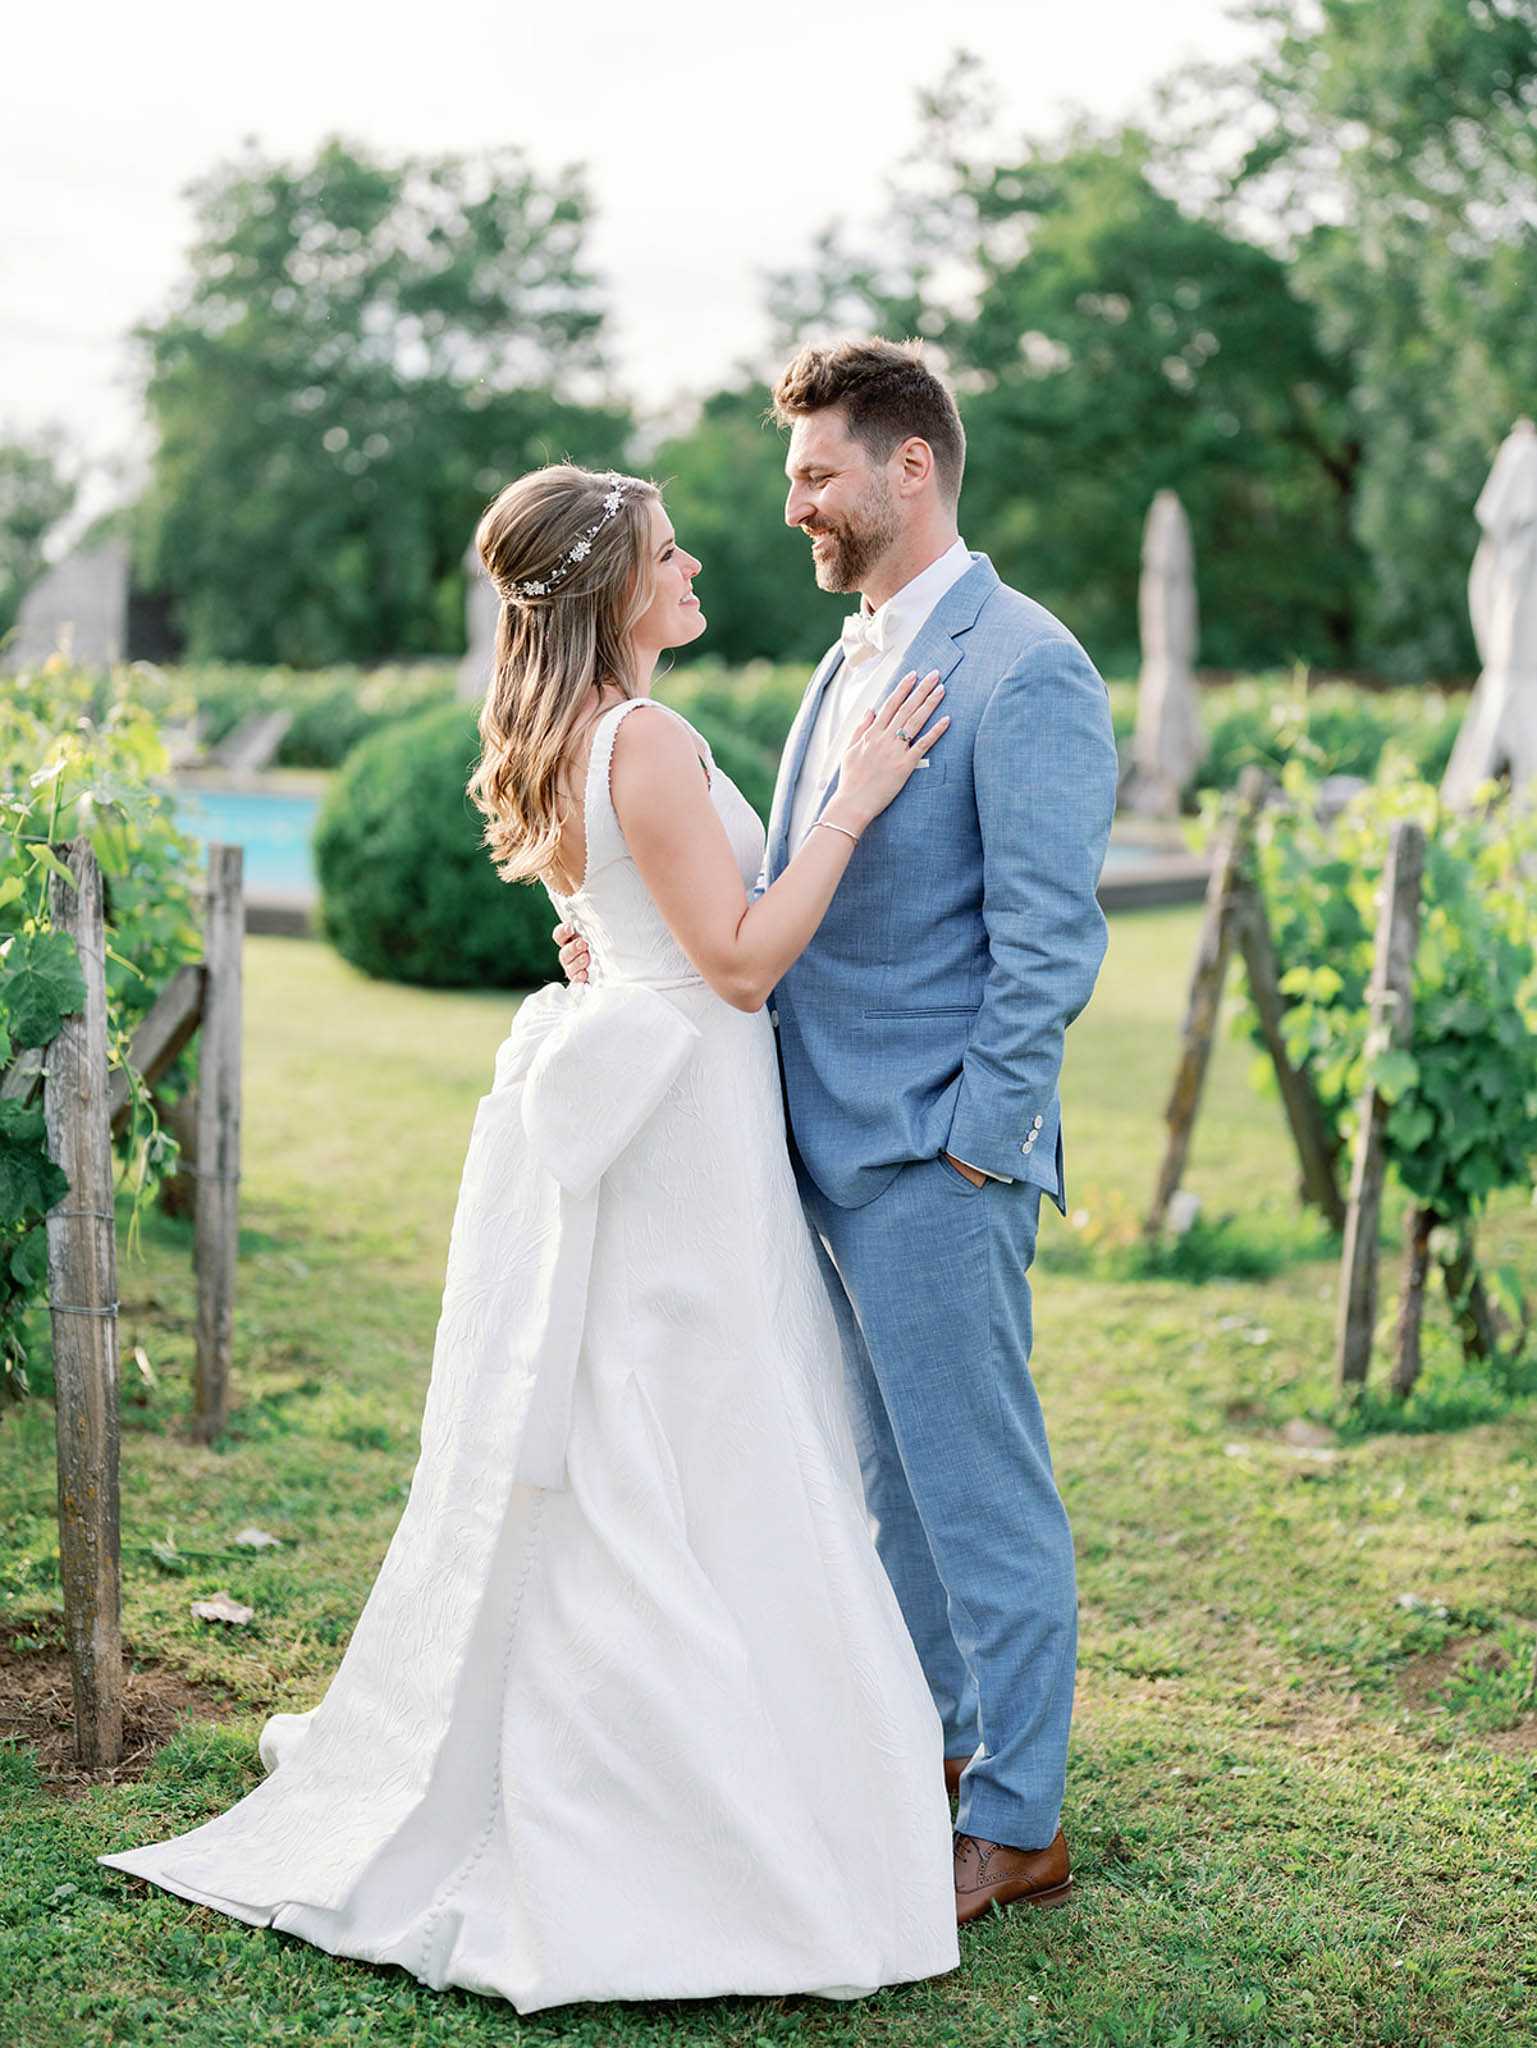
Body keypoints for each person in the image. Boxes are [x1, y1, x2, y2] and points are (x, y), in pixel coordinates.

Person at [98, 462, 963, 2014]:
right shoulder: (645, 738)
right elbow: (746, 962)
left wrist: (626, 939)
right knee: (690, 1429)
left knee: (654, 1414)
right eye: (666, 552)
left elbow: (633, 926)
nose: (695, 564)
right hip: (686, 1118)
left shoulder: (578, 736)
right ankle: (677, 1805)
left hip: (662, 1107)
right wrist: (853, 801)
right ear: (610, 590)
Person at [557, 338, 1119, 1924]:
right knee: (894, 1487)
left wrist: (975, 1143)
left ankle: (1019, 1820)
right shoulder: (850, 651)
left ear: (908, 468)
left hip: (933, 1161)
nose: (793, 504)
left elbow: (1046, 946)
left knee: (980, 1490)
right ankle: (941, 1759)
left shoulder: (1028, 665)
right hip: (814, 1147)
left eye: (815, 473)